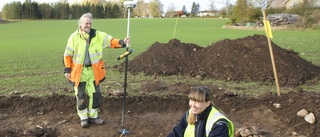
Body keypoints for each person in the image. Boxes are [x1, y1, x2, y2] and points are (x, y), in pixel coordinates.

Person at [63, 12, 130, 128]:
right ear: (80, 24)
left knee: (96, 94)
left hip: (94, 72)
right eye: (86, 23)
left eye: (90, 23)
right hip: (79, 72)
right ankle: (84, 118)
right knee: (81, 95)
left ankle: (94, 116)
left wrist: (122, 42)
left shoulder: (98, 35)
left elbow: (110, 41)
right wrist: (67, 70)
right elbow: (67, 54)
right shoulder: (73, 37)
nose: (88, 25)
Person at [167, 86, 234, 137]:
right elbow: (176, 134)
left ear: (208, 103)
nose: (193, 105)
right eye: (191, 100)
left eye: (197, 102)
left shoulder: (219, 123)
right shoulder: (189, 114)